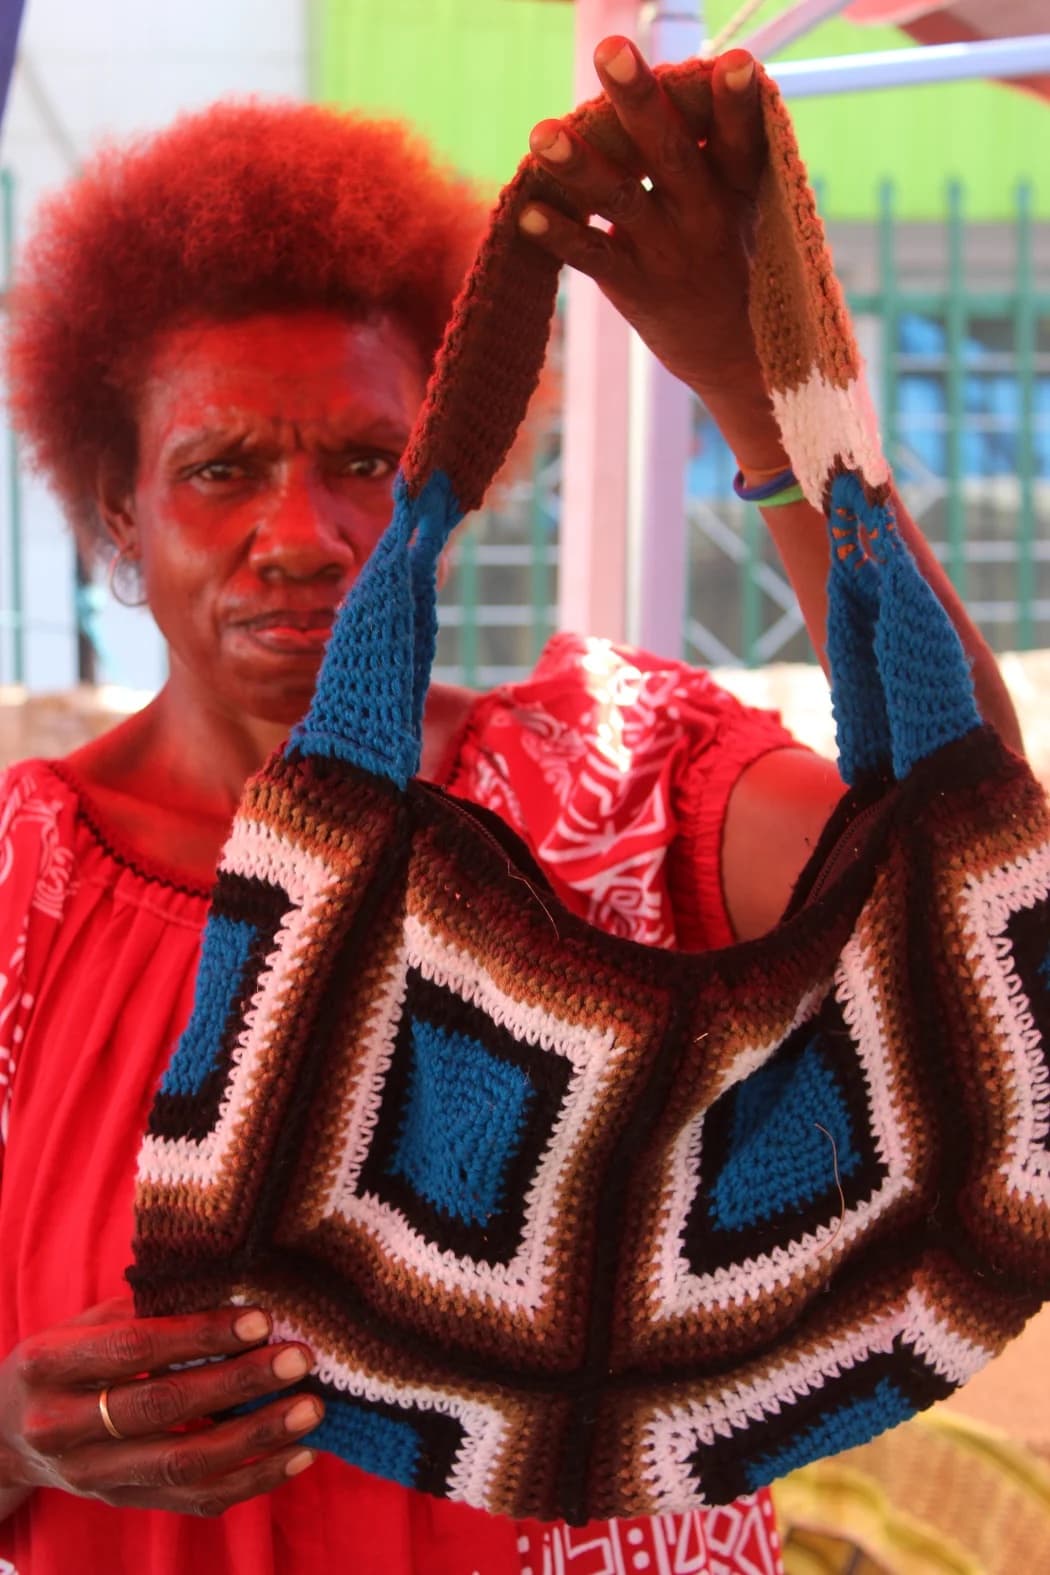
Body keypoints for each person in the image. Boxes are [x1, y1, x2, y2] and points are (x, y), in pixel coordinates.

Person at [0, 35, 1023, 1575]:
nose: (303, 531)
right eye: (220, 468)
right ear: (115, 517)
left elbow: (975, 875)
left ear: (453, 474)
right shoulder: (22, 891)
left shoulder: (621, 774)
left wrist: (759, 397)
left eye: (365, 458)